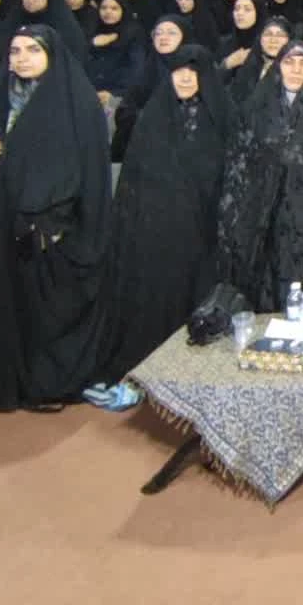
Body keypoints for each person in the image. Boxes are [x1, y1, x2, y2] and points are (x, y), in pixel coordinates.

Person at [0, 26, 113, 411]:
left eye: (33, 50)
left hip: (52, 232)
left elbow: (87, 174)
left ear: (52, 56)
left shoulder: (76, 103)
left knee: (46, 312)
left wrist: (56, 222)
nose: (22, 58)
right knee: (7, 309)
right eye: (15, 51)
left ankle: (47, 384)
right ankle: (11, 384)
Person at [88, 45, 233, 406]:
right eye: (177, 71)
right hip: (156, 234)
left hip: (205, 236)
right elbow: (134, 181)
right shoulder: (153, 117)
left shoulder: (225, 118)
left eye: (193, 71)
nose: (184, 78)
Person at [216, 41, 303, 310]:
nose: (296, 69)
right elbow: (239, 168)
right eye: (289, 62)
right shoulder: (256, 108)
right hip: (264, 223)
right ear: (278, 66)